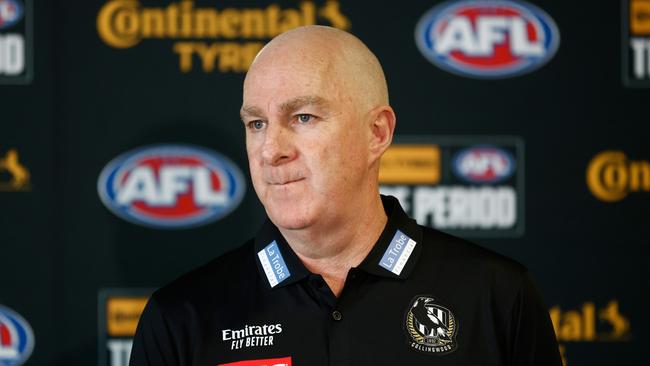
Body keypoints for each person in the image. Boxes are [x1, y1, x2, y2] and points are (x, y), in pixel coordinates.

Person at [129, 25, 562, 366]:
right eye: (256, 123)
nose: (271, 150)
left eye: (302, 116)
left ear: (377, 133)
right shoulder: (179, 318)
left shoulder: (498, 297)